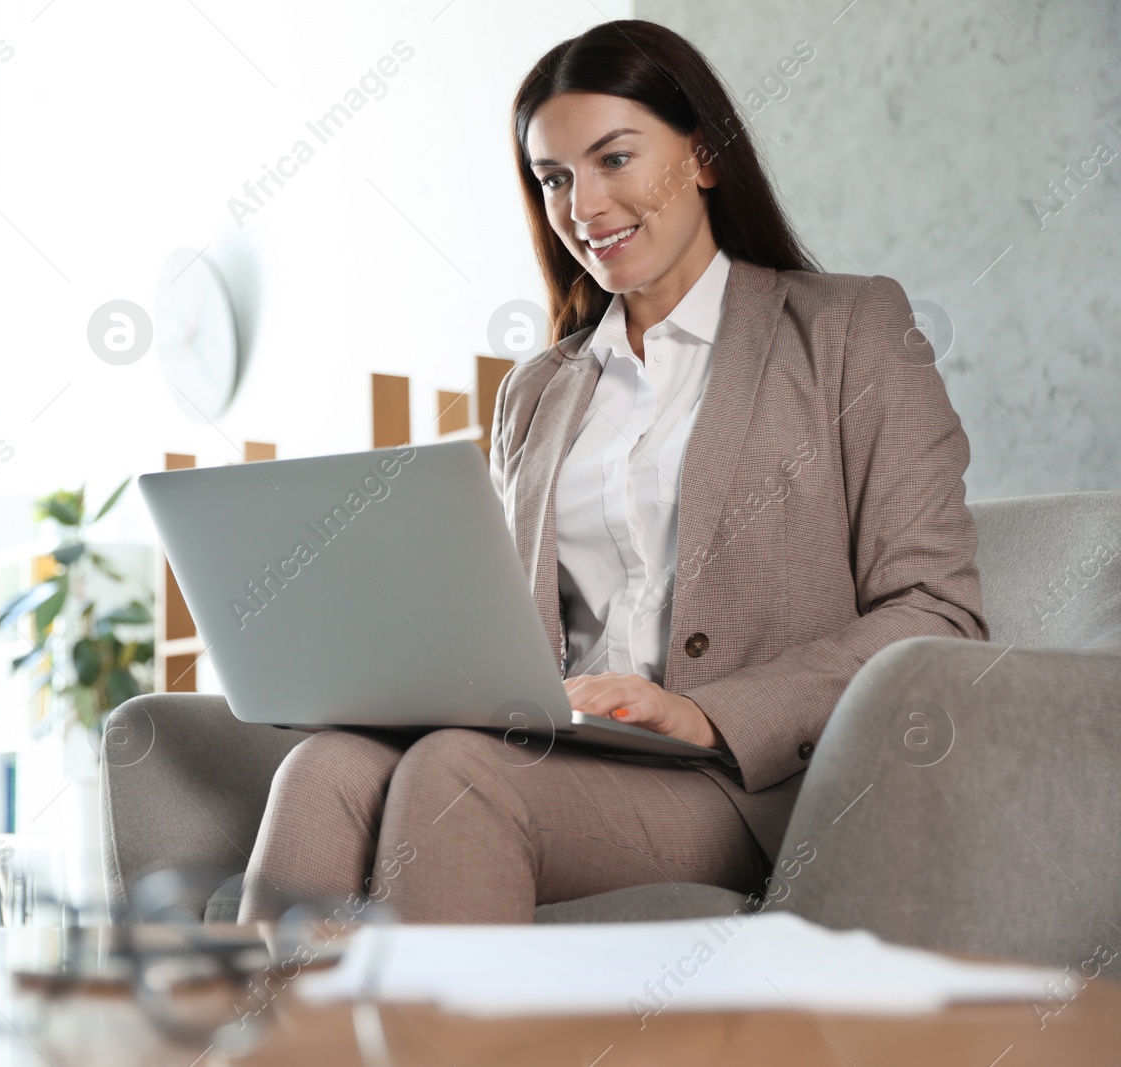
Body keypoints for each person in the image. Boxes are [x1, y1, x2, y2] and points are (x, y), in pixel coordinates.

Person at [238, 19, 989, 924]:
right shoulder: (537, 391)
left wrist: (707, 715)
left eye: (615, 159)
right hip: (555, 743)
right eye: (554, 178)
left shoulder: (846, 331)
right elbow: (514, 624)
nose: (583, 207)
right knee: (322, 770)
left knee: (453, 774)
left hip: (745, 781)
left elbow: (937, 613)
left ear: (705, 155)